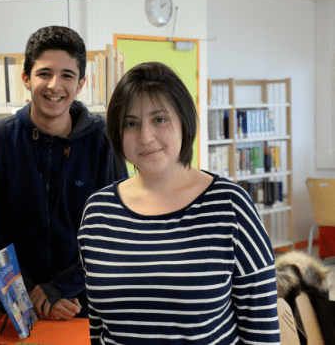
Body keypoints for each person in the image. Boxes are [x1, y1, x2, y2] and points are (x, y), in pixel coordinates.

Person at [77, 62, 280, 344]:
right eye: (131, 123)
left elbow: (261, 328)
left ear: (184, 121)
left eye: (159, 119)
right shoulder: (98, 211)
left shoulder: (230, 206)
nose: (145, 137)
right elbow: (98, 327)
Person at [0, 26, 128, 321]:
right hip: (15, 305)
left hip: (84, 305)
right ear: (26, 78)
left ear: (81, 84)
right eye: (44, 73)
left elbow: (115, 230)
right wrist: (30, 292)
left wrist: (60, 288)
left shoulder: (104, 143)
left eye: (67, 75)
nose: (55, 85)